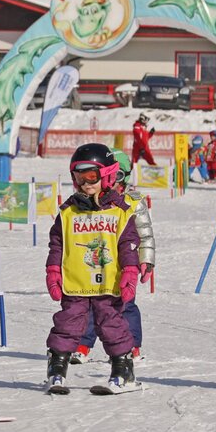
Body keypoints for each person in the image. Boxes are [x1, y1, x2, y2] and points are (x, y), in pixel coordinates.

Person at [44, 144, 141, 394]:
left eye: (91, 177)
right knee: (67, 324)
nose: (86, 183)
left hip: (108, 284)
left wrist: (130, 273)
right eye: (79, 177)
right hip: (75, 282)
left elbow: (129, 245)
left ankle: (123, 369)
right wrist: (53, 270)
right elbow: (57, 243)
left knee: (112, 325)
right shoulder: (67, 212)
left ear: (107, 175)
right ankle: (57, 367)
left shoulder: (121, 212)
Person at [72, 148, 154, 364]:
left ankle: (132, 346)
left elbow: (145, 234)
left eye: (118, 176)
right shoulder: (93, 200)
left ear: (125, 176)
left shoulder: (133, 201)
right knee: (90, 304)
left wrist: (146, 260)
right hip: (97, 262)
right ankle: (82, 345)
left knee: (125, 305)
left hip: (125, 263)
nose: (112, 182)